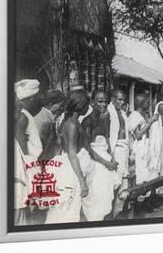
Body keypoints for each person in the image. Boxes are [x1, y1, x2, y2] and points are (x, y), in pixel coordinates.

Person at [45, 89, 92, 224]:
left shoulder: (68, 121)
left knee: (65, 209)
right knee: (67, 210)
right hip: (71, 171)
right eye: (87, 104)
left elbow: (59, 147)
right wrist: (82, 181)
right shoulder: (71, 124)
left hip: (67, 169)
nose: (88, 107)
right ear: (80, 105)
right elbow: (72, 154)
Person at [81, 90, 117, 221]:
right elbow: (87, 149)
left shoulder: (104, 119)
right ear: (92, 102)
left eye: (106, 102)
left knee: (106, 195)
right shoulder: (87, 121)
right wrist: (105, 163)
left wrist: (112, 158)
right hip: (95, 164)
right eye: (100, 101)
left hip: (106, 163)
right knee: (96, 196)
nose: (104, 105)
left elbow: (107, 140)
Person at [14, 79, 43, 226]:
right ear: (30, 99)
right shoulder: (21, 116)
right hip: (24, 161)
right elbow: (21, 145)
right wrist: (30, 170)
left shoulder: (23, 113)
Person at [128, 93, 159, 209]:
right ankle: (138, 206)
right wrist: (150, 122)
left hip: (147, 149)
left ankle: (147, 203)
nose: (149, 104)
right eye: (147, 102)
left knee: (150, 175)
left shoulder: (144, 115)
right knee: (141, 177)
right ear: (142, 103)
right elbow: (138, 135)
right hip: (140, 150)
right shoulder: (134, 116)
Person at [108, 89, 130, 217]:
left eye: (123, 100)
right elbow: (108, 136)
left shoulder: (122, 113)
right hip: (114, 150)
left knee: (122, 183)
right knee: (113, 183)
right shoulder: (108, 112)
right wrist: (110, 155)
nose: (122, 102)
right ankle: (110, 214)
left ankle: (117, 213)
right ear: (112, 98)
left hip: (123, 150)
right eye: (119, 99)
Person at [34, 90, 65, 156]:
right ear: (50, 104)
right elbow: (41, 146)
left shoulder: (49, 116)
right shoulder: (43, 120)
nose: (62, 108)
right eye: (60, 105)